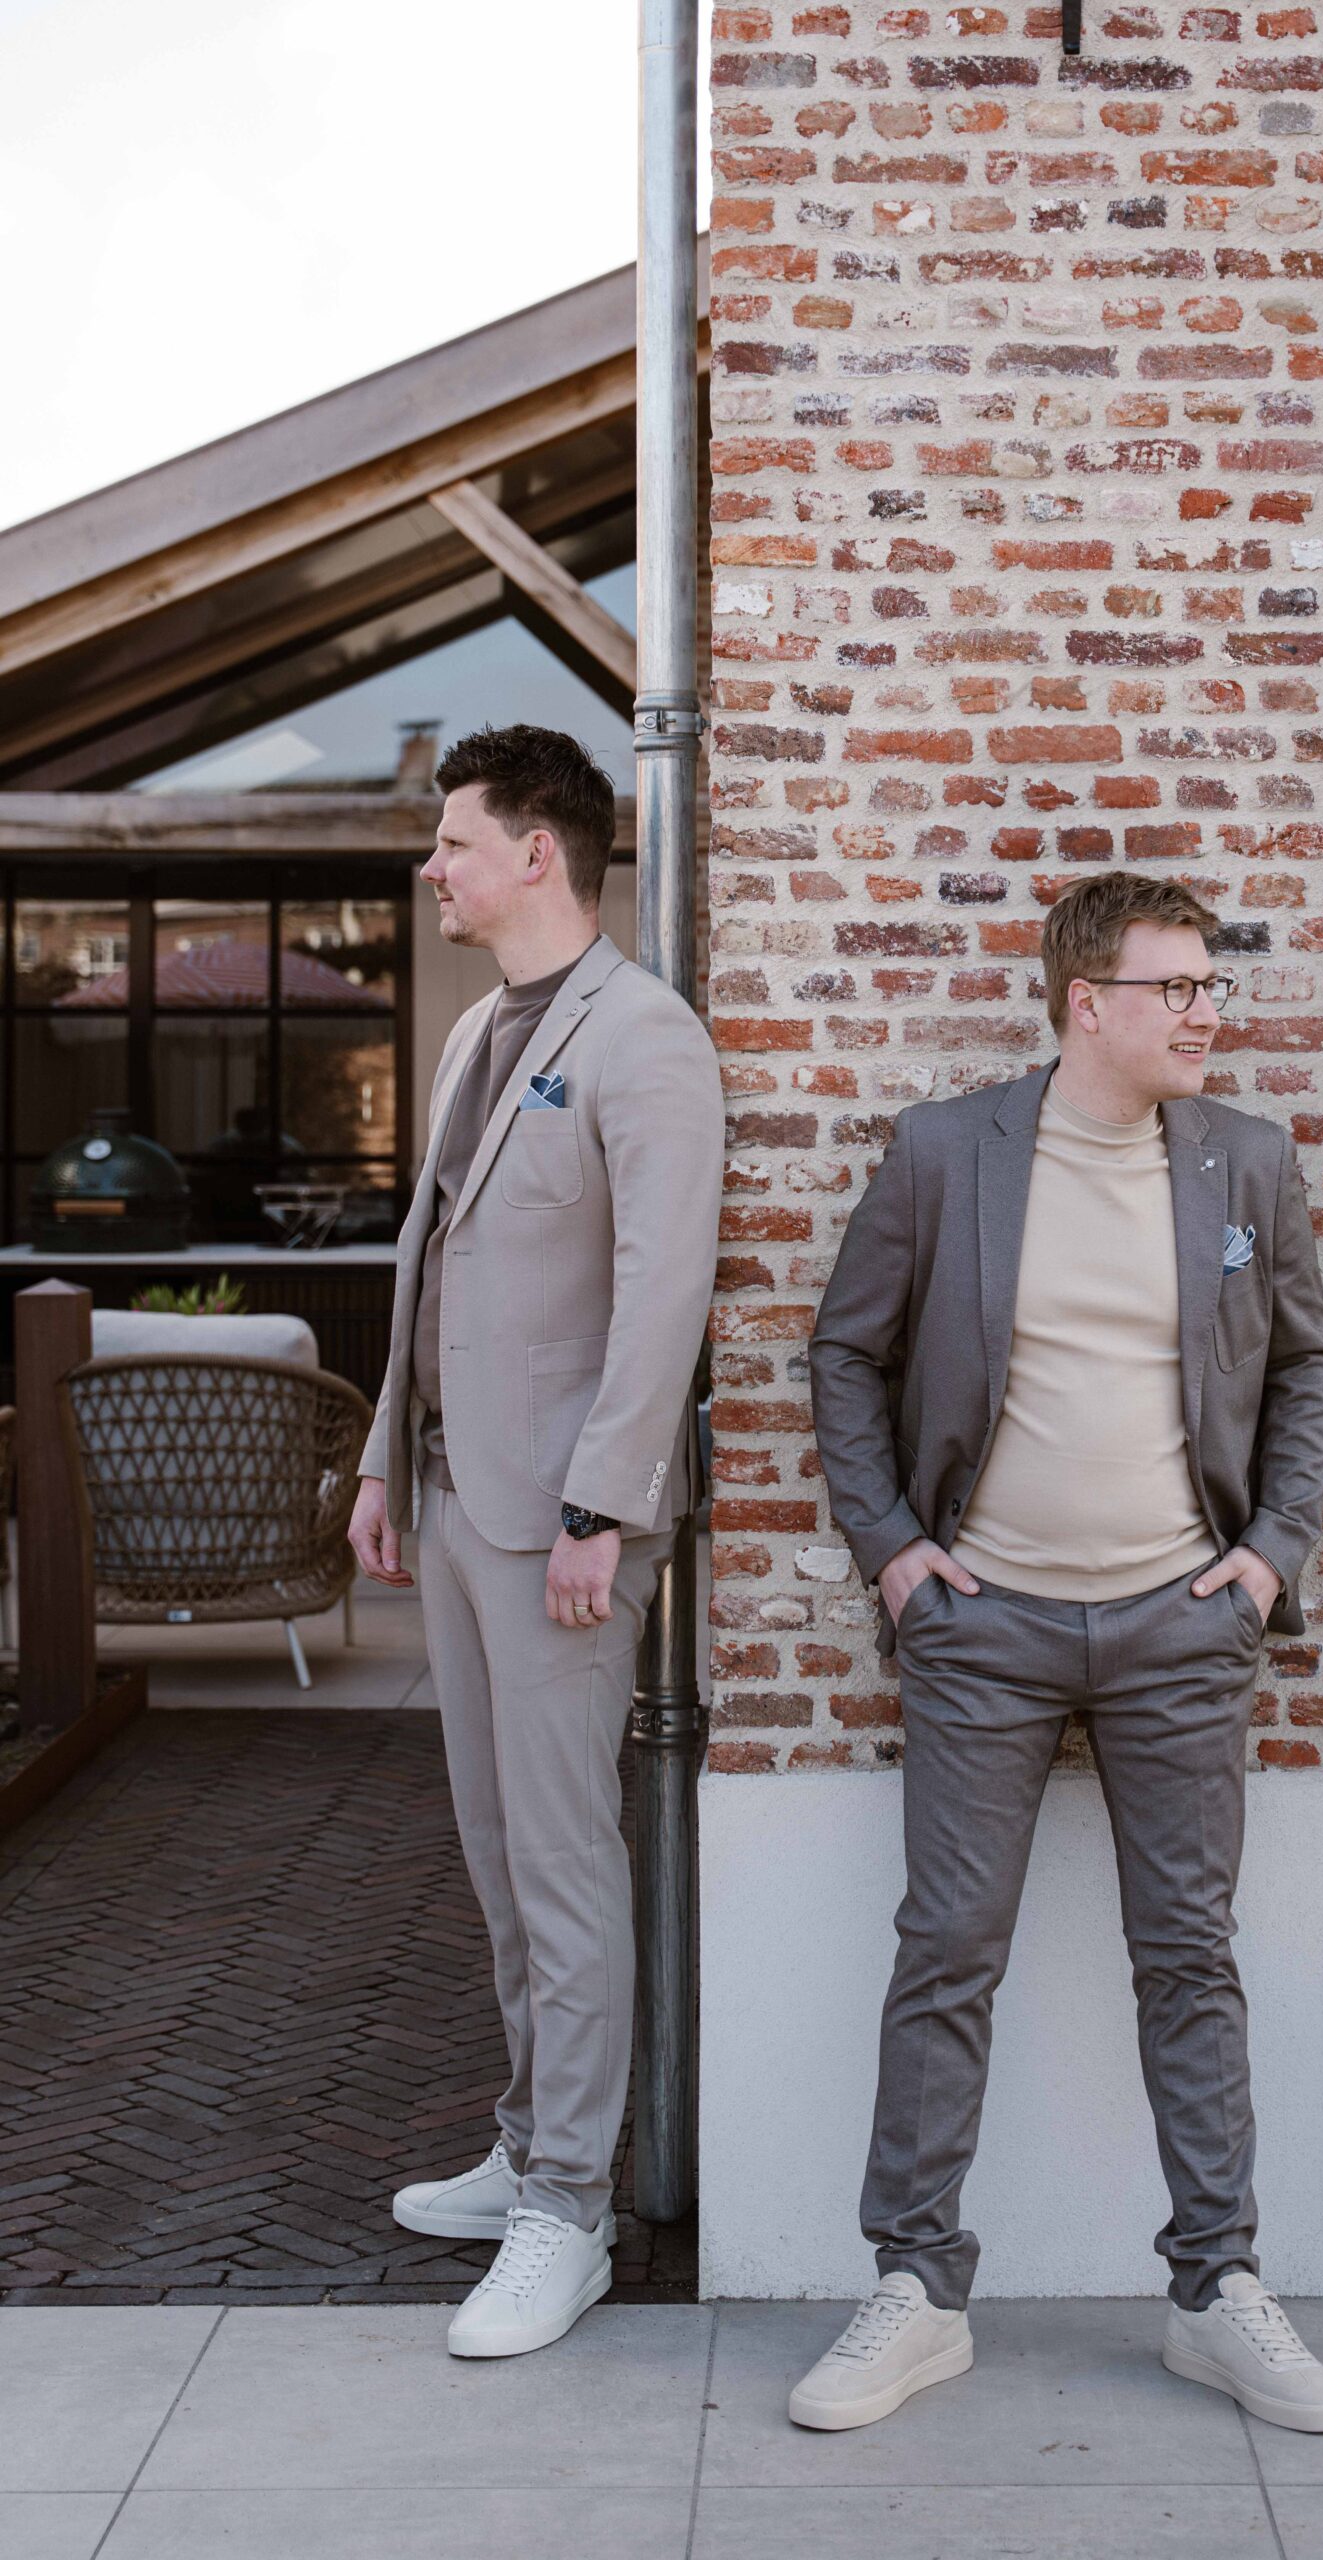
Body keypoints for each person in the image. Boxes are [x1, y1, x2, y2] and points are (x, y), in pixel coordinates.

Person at [794, 868, 1323, 2435]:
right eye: (1179, 987)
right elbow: (845, 1350)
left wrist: (1267, 1557)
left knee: (1189, 1959)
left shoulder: (1247, 1161)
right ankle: (917, 2290)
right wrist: (893, 1550)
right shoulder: (945, 1153)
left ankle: (1216, 2291)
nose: (1207, 1011)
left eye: (1212, 985)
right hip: (983, 1630)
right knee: (946, 1952)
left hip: (1185, 1627)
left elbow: (1307, 1370)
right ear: (1086, 1002)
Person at [348, 724, 721, 2360]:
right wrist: (382, 1462)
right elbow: (430, 1264)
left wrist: (600, 1509)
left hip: (562, 1526)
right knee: (500, 1858)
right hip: (450, 1501)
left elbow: (662, 1291)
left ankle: (573, 2209)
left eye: (453, 840)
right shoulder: (473, 1033)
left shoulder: (646, 1038)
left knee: (566, 1866)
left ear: (537, 854)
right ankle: (527, 2146)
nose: (432, 865)